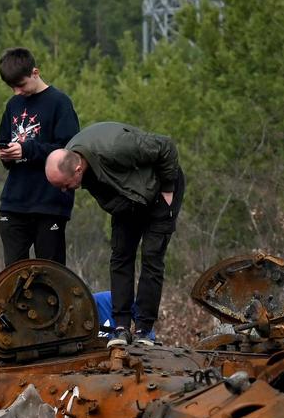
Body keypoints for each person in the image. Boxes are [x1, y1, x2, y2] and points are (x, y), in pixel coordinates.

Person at [45, 122, 184, 347]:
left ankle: (143, 329)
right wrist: (118, 208)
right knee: (120, 257)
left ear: (77, 169)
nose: (65, 190)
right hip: (128, 201)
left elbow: (166, 147)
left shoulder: (116, 146)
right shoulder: (72, 157)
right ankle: (120, 328)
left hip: (160, 191)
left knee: (151, 256)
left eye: (66, 185)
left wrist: (168, 188)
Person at [0, 48, 80, 266]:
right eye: (12, 87)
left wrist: (27, 150)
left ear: (35, 72)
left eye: (21, 85)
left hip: (49, 203)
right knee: (13, 276)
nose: (17, 92)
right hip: (14, 203)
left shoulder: (60, 103)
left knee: (50, 275)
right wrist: (6, 154)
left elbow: (68, 151)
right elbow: (6, 142)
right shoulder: (13, 105)